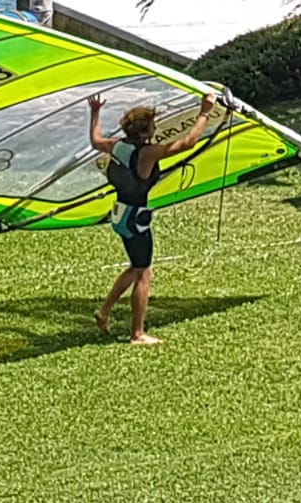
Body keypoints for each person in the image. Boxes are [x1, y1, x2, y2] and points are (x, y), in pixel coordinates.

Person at [87, 90, 216, 345]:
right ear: (146, 131)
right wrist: (205, 112)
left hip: (120, 214)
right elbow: (188, 143)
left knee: (136, 267)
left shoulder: (116, 146)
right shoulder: (148, 153)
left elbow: (95, 140)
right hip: (135, 219)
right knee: (144, 272)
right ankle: (137, 334)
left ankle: (104, 311)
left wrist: (95, 112)